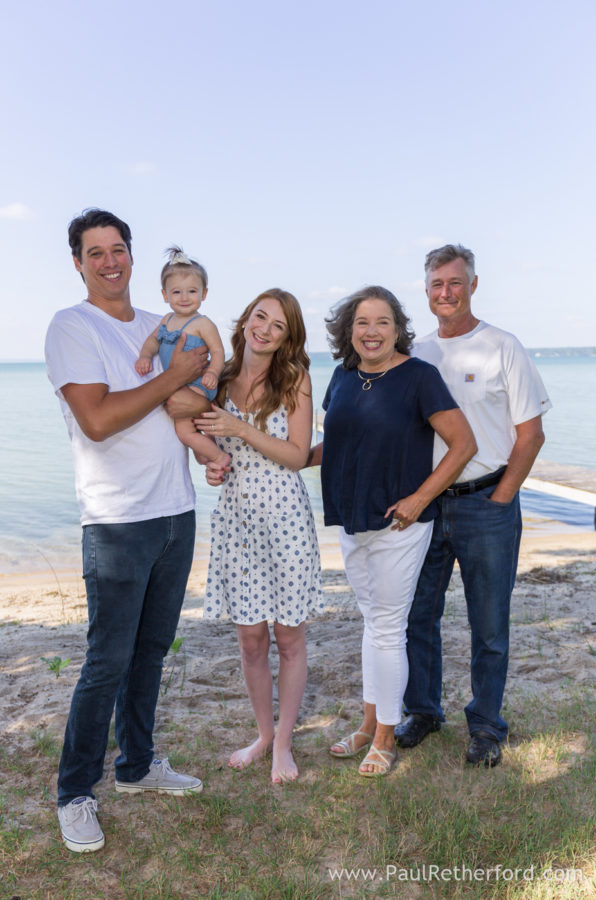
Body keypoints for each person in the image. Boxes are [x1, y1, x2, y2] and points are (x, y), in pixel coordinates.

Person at [45, 209, 205, 854]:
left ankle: (137, 764)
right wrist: (174, 378)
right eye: (96, 253)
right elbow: (99, 419)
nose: (110, 262)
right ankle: (74, 792)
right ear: (78, 263)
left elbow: (191, 399)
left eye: (118, 249)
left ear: (133, 256)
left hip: (176, 511)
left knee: (152, 651)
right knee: (106, 660)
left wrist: (209, 431)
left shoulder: (157, 324)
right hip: (116, 521)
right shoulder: (72, 327)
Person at [309, 286, 476, 777]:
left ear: (398, 329)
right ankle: (368, 725)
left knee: (387, 627)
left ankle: (385, 736)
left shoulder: (420, 377)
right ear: (348, 330)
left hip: (400, 523)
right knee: (373, 624)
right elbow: (337, 442)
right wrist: (288, 457)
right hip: (351, 517)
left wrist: (420, 498)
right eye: (362, 322)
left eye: (382, 322)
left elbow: (463, 444)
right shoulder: (343, 376)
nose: (372, 331)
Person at [395, 244, 551, 767]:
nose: (446, 292)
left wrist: (502, 496)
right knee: (418, 615)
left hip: (486, 502)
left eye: (455, 282)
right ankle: (423, 711)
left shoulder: (503, 346)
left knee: (489, 624)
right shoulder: (415, 353)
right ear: (426, 291)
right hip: (427, 504)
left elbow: (531, 435)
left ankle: (485, 726)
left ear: (473, 285)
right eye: (437, 284)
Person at [197, 289, 323, 784]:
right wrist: (211, 464)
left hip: (285, 518)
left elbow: (298, 455)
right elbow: (207, 446)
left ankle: (284, 744)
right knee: (250, 640)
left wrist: (241, 428)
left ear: (288, 337)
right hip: (236, 520)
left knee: (288, 637)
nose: (265, 329)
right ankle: (264, 735)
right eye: (260, 316)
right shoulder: (219, 378)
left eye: (278, 325)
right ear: (246, 319)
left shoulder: (294, 379)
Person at [135, 246, 229, 469]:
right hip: (179, 383)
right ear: (165, 295)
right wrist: (145, 356)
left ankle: (219, 458)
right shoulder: (167, 320)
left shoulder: (202, 323)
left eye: (192, 291)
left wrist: (213, 372)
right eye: (177, 292)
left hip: (198, 383)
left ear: (204, 293)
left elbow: (218, 351)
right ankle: (206, 452)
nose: (184, 298)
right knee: (193, 426)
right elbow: (152, 340)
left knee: (184, 432)